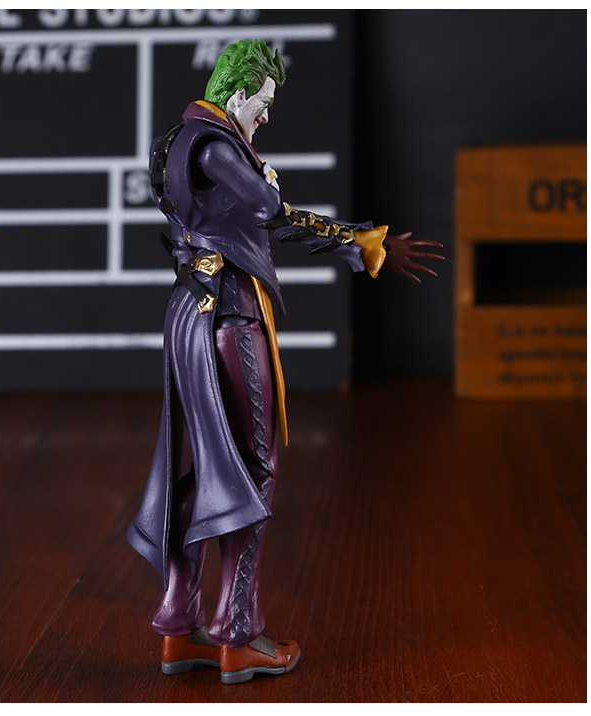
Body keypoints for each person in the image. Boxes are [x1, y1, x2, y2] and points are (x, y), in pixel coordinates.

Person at [127, 39, 443, 684]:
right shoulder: (217, 146)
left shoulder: (176, 142)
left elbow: (245, 216)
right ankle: (237, 633)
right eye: (263, 104)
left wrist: (358, 243)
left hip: (189, 309)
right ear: (239, 92)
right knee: (254, 469)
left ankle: (179, 623)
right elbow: (271, 212)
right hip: (229, 316)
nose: (266, 117)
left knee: (214, 469)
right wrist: (360, 241)